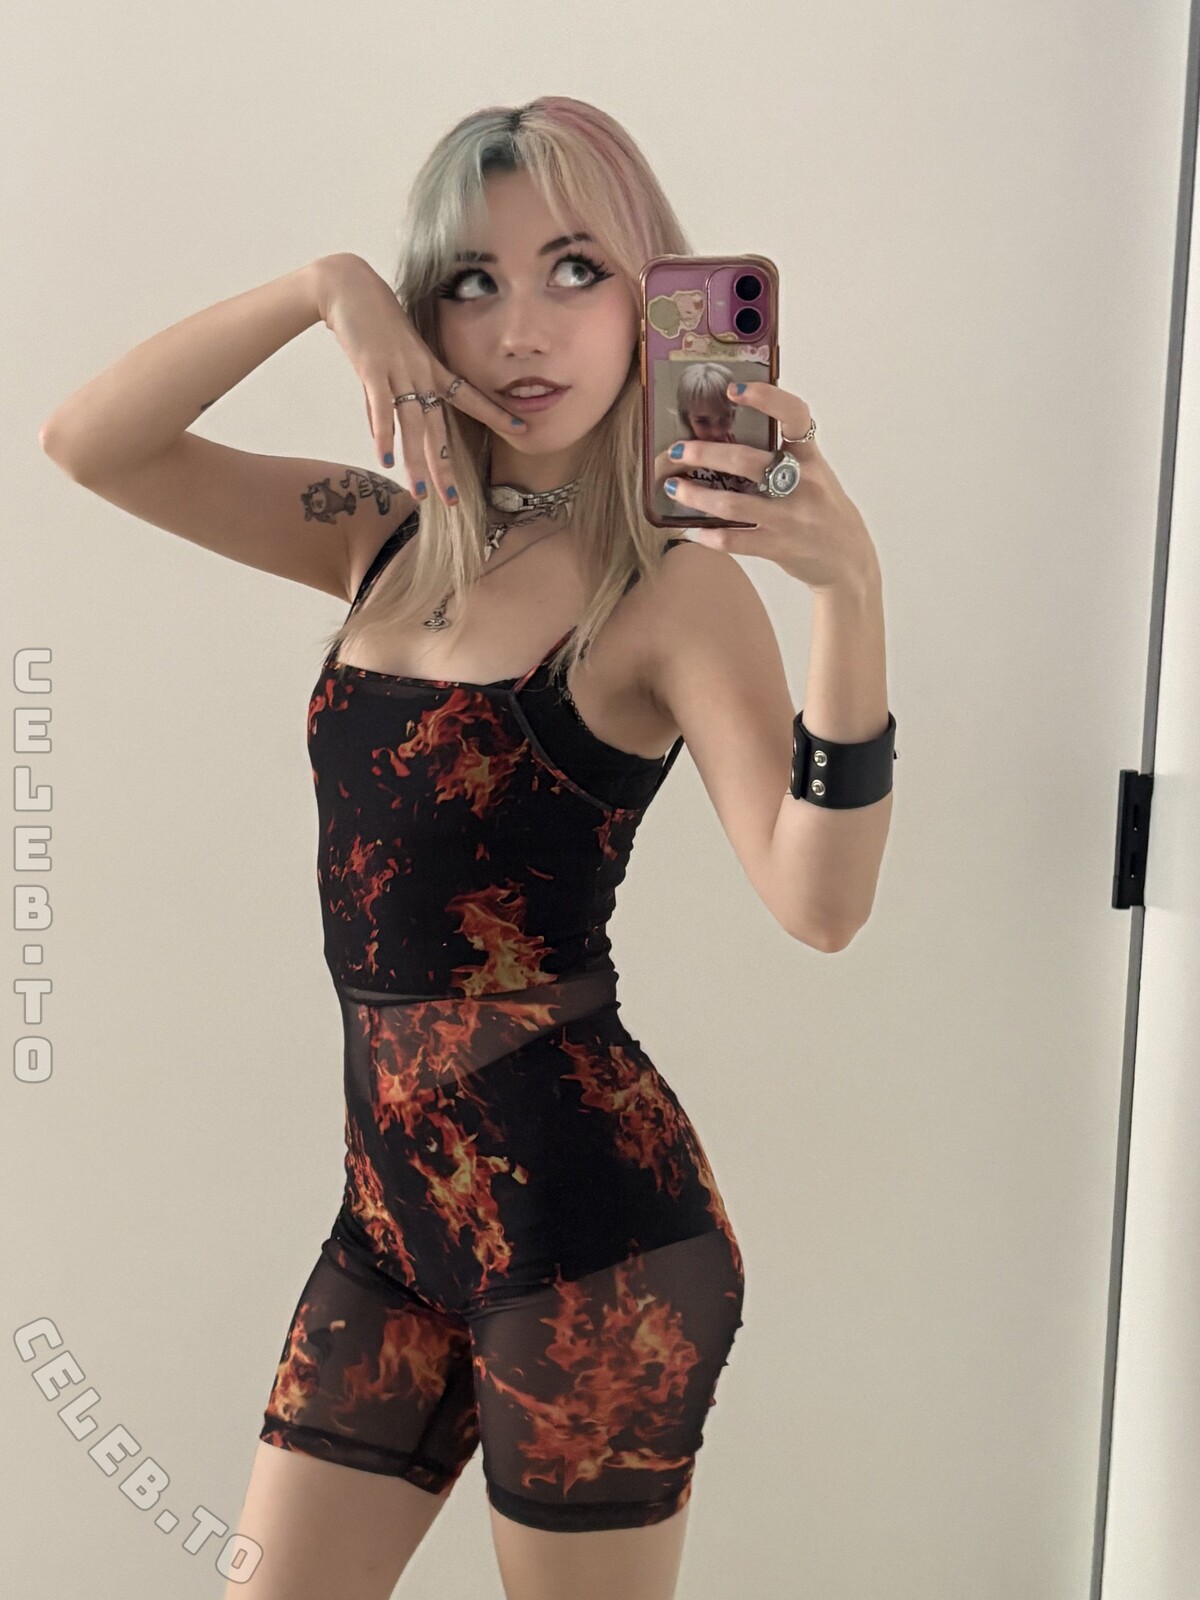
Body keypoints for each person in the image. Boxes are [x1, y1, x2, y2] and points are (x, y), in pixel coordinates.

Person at [39, 93, 893, 1600]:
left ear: (654, 299)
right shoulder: (375, 534)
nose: (521, 330)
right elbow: (91, 442)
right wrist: (324, 288)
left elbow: (819, 902)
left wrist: (850, 596)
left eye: (575, 269)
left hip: (592, 1244)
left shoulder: (671, 594)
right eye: (470, 282)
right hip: (389, 1226)